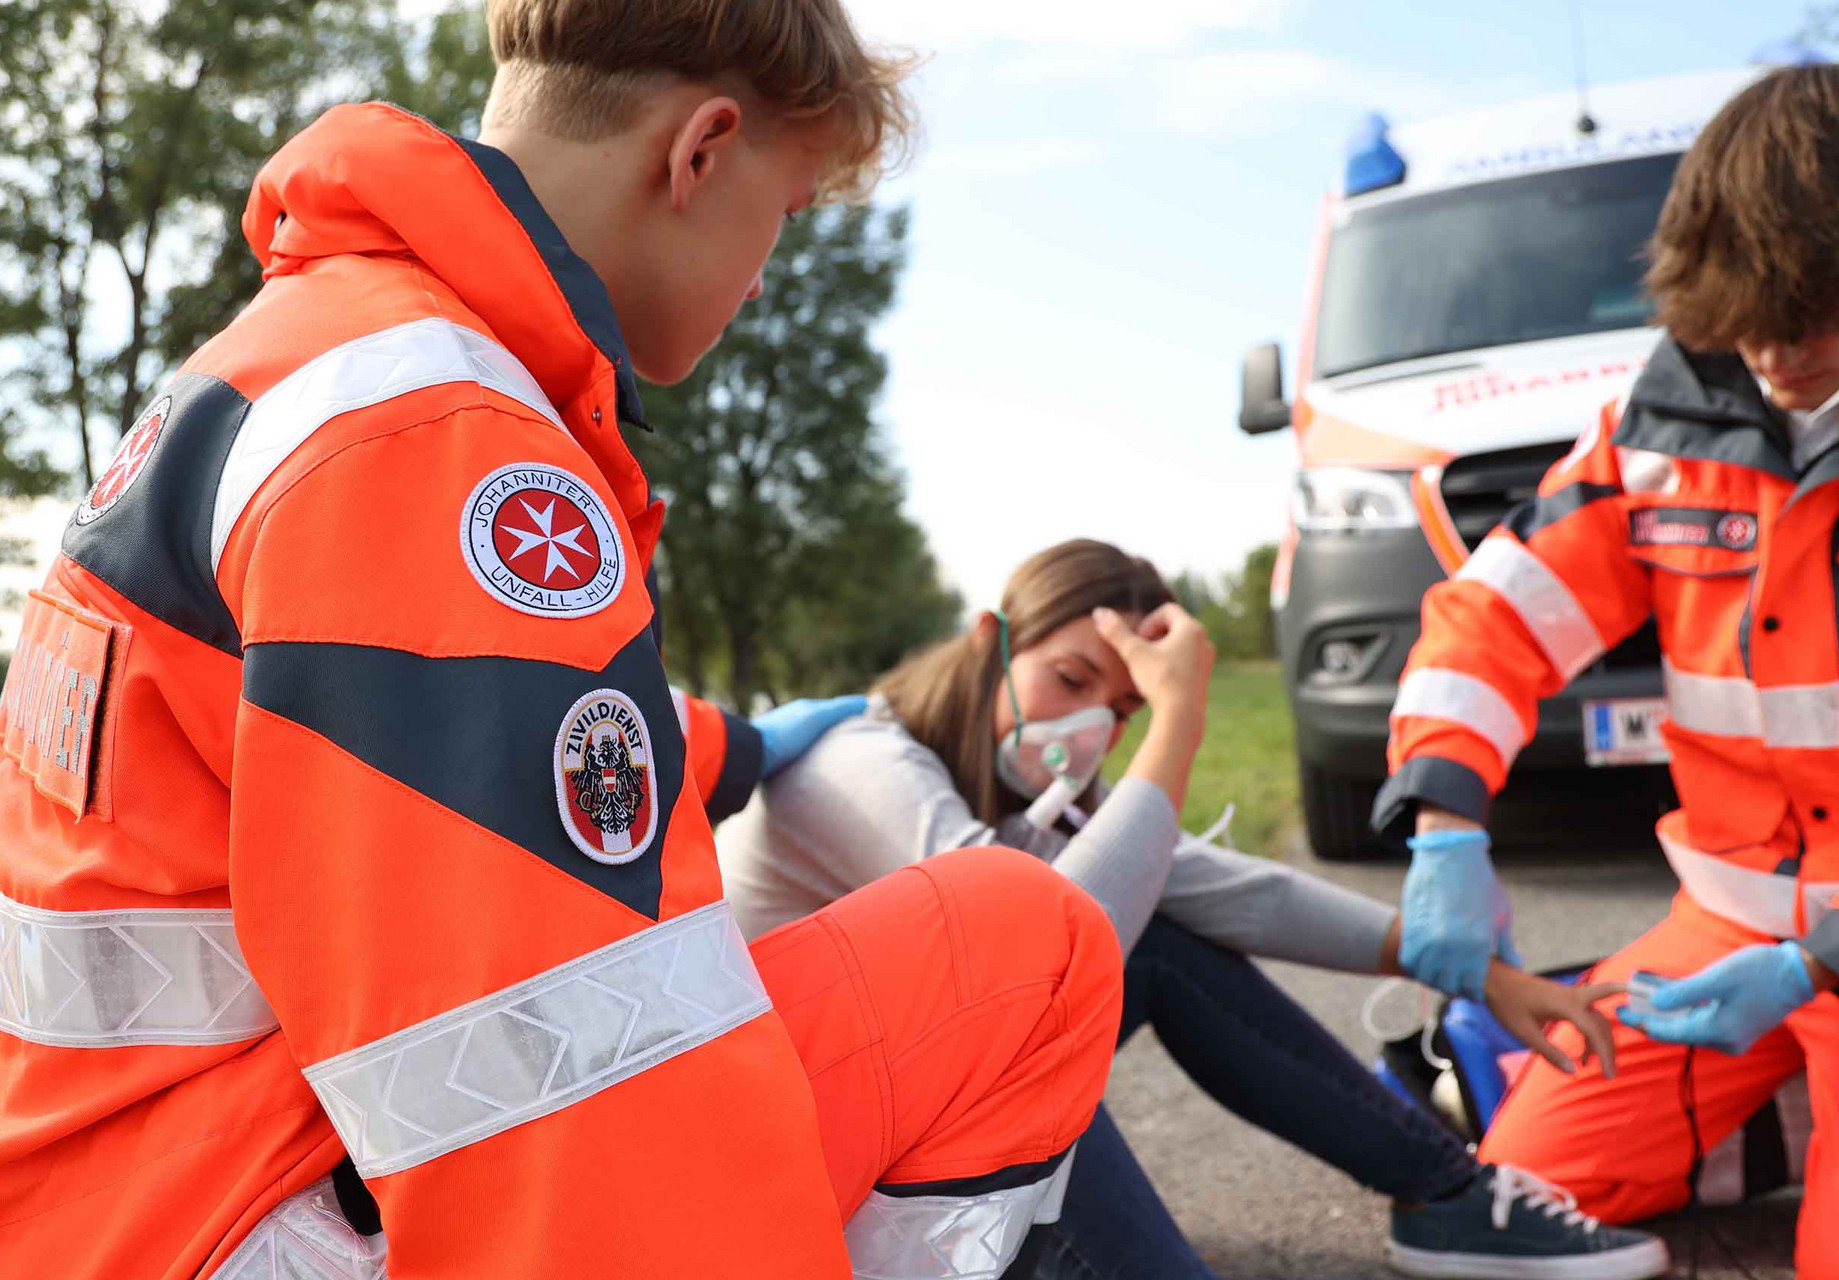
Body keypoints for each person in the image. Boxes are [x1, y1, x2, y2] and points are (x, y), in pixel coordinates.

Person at [0, 3, 1128, 1277]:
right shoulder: (447, 442)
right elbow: (565, 1113)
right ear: (700, 151)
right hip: (250, 1222)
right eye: (788, 214)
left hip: (114, 1191)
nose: (764, 274)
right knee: (1023, 945)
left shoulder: (297, 362)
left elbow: (374, 768)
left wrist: (738, 747)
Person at [719, 538, 1671, 1280]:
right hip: (773, 1171)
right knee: (1013, 1028)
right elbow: (1028, 955)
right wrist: (1178, 721)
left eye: (1125, 709)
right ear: (988, 640)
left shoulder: (1013, 799)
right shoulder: (860, 763)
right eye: (1073, 679)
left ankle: (1448, 1197)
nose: (1092, 727)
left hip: (879, 1116)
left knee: (1159, 939)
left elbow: (1227, 889)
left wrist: (1471, 967)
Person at [1375, 63, 1839, 1280]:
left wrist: (1829, 965)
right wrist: (1445, 825)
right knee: (1516, 1186)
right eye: (1743, 315)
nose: (1772, 350)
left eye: (1811, 314)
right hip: (1726, 931)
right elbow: (1495, 618)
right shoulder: (1663, 426)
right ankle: (1806, 1108)